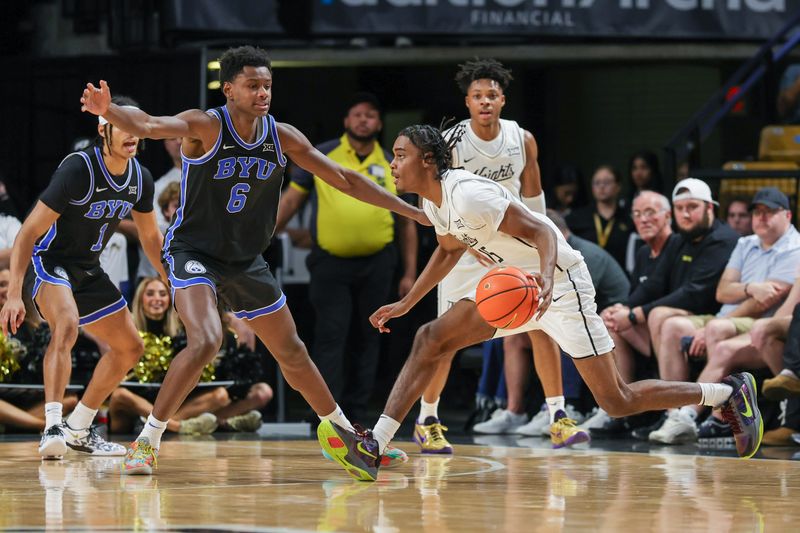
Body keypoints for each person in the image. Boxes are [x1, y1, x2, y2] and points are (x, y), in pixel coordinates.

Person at [317, 125, 763, 482]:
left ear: (428, 160)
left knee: (617, 400)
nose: (393, 163)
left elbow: (544, 230)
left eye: (400, 154)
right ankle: (374, 444)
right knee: (430, 337)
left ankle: (727, 392)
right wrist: (407, 302)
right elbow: (450, 249)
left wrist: (546, 276)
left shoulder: (470, 193)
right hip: (515, 287)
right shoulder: (435, 202)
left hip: (561, 288)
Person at [78, 45, 426, 474]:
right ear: (229, 90)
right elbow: (149, 125)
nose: (263, 93)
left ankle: (343, 436)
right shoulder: (205, 125)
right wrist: (110, 111)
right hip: (194, 252)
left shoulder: (282, 136)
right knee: (206, 339)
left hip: (246, 260)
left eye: (268, 85)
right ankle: (147, 440)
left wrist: (410, 209)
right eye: (253, 85)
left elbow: (344, 179)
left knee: (293, 351)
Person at [411, 58, 582, 451]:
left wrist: (540, 248)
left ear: (503, 100)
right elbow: (435, 200)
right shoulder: (451, 141)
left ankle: (557, 415)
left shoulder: (522, 139)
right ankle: (427, 417)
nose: (485, 101)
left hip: (510, 247)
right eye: (477, 96)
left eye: (491, 95)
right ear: (467, 102)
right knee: (446, 338)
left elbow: (534, 199)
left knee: (541, 323)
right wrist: (471, 243)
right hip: (463, 250)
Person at [0, 95, 167, 458]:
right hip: (49, 260)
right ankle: (52, 426)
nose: (133, 134)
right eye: (123, 125)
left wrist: (173, 281)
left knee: (130, 347)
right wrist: (14, 293)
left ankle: (79, 426)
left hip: (88, 268)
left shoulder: (141, 178)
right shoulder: (79, 169)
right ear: (103, 128)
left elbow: (151, 238)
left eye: (138, 127)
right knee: (67, 323)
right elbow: (28, 232)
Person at [276, 92, 417, 422]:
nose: (363, 120)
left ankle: (356, 414)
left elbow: (407, 221)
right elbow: (291, 201)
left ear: (379, 123)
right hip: (330, 263)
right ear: (346, 121)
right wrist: (257, 240)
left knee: (369, 338)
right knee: (330, 335)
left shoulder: (391, 159)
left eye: (370, 115)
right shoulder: (323, 154)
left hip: (379, 262)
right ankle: (326, 415)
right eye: (357, 114)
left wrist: (409, 272)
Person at [647, 187, 799, 444]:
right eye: (757, 212)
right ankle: (674, 411)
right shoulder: (745, 242)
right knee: (669, 323)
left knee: (719, 334)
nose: (761, 217)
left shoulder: (794, 248)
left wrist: (719, 321)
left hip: (760, 324)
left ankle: (704, 417)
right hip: (729, 316)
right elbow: (722, 292)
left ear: (787, 215)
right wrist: (750, 287)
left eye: (769, 212)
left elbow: (762, 305)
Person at [109, 277, 268, 434]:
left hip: (168, 398)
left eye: (162, 294)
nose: (156, 299)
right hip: (136, 399)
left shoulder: (182, 328)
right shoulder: (128, 326)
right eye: (150, 294)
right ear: (140, 298)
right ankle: (189, 426)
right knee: (120, 395)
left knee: (222, 395)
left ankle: (174, 425)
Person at [566, 165, 632, 269]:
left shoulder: (629, 219)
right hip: (585, 274)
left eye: (607, 182)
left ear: (618, 186)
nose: (601, 186)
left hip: (618, 276)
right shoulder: (576, 217)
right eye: (597, 183)